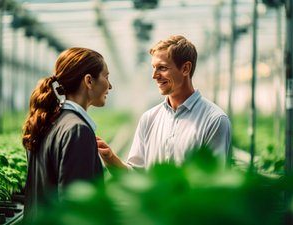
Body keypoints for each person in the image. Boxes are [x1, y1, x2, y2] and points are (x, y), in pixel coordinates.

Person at [97, 35, 231, 171]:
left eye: (162, 68)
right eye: (154, 67)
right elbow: (136, 175)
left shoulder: (214, 120)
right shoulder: (149, 118)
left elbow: (214, 181)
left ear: (186, 69)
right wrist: (110, 158)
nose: (154, 75)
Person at [22, 47, 112, 222]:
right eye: (106, 77)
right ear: (89, 81)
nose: (110, 85)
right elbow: (76, 211)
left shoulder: (45, 122)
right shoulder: (78, 130)